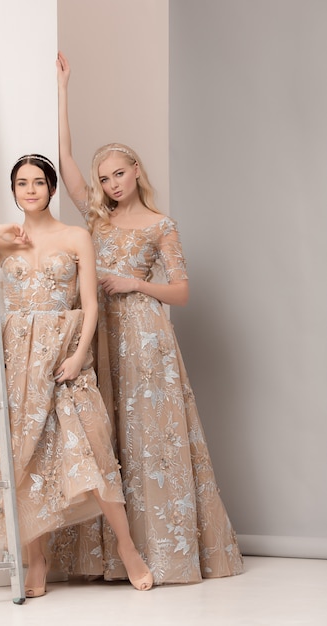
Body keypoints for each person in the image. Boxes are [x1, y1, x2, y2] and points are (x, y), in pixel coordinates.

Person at [56, 52, 244, 585]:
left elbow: (182, 292)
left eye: (119, 173)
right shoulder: (96, 216)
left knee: (149, 439)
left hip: (144, 334)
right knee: (104, 435)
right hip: (100, 331)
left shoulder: (162, 224)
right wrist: (64, 90)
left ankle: (166, 553)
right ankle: (111, 555)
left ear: (137, 170)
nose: (113, 184)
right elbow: (66, 162)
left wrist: (135, 283)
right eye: (105, 179)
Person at [0, 154, 153, 596]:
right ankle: (36, 559)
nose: (30, 189)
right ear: (13, 191)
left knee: (94, 452)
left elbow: (91, 305)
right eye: (21, 183)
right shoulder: (5, 241)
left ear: (52, 188)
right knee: (24, 458)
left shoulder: (76, 236)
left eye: (38, 182)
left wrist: (77, 356)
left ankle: (129, 549)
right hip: (15, 360)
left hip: (64, 355)